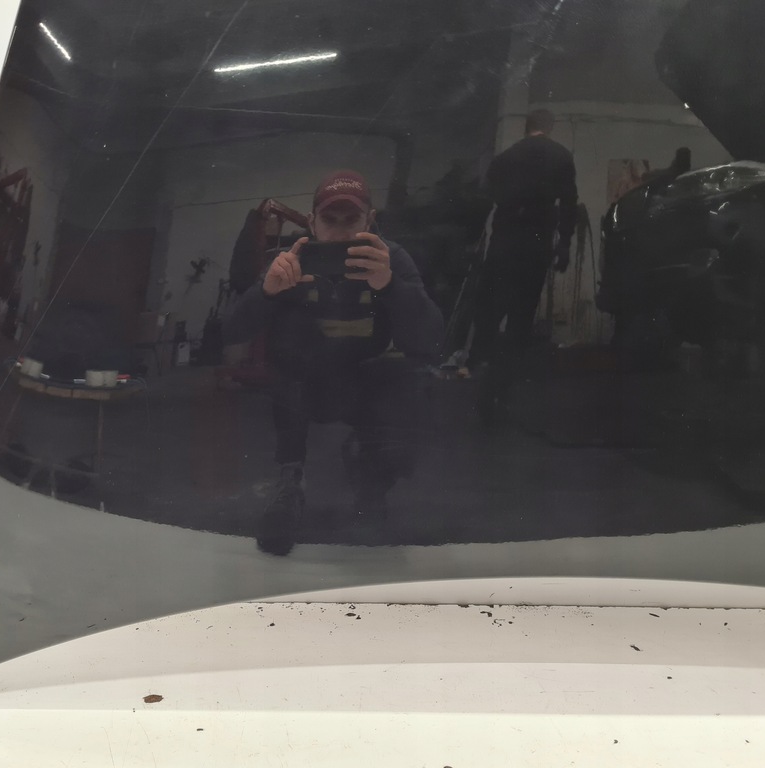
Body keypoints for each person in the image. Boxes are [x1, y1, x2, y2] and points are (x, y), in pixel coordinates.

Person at [224, 170, 444, 556]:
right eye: (330, 220)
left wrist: (389, 286)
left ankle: (372, 488)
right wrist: (266, 293)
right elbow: (232, 332)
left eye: (351, 220)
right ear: (312, 223)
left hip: (365, 380)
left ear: (369, 220)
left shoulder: (390, 259)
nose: (340, 232)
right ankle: (290, 480)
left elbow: (431, 340)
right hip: (306, 380)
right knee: (287, 349)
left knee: (406, 378)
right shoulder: (289, 261)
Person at [468, 109, 578, 421]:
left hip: (504, 242)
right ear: (549, 127)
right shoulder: (560, 156)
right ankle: (504, 389)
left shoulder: (505, 158)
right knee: (521, 316)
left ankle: (482, 374)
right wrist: (564, 244)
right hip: (536, 244)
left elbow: (486, 199)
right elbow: (569, 203)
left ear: (526, 127)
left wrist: (475, 241)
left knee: (491, 311)